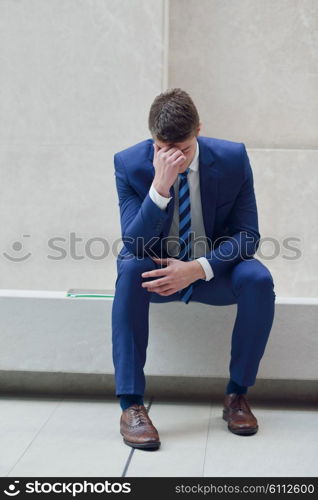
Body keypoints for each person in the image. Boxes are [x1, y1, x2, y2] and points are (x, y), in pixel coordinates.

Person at [112, 88, 276, 450]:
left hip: (210, 272)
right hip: (155, 274)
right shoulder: (129, 163)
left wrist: (197, 269)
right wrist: (160, 186)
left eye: (182, 150)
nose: (174, 158)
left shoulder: (233, 158)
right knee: (128, 267)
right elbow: (134, 243)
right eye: (162, 149)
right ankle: (131, 406)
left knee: (258, 279)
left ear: (198, 130)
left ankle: (236, 396)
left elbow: (248, 235)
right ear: (151, 137)